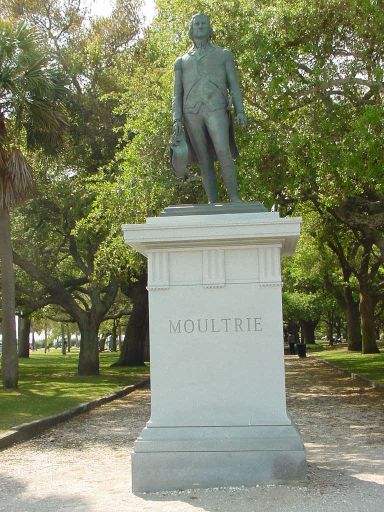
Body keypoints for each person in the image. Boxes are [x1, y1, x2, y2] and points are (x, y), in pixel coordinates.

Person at [172, 13, 247, 203]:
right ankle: (213, 202)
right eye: (196, 23)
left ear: (210, 28)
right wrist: (176, 118)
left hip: (216, 108)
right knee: (204, 159)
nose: (200, 26)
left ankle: (234, 198)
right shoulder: (181, 61)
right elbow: (177, 94)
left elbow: (234, 85)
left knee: (223, 151)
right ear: (190, 29)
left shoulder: (223, 55)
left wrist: (240, 111)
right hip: (191, 112)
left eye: (204, 23)